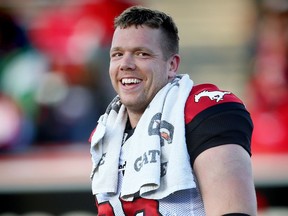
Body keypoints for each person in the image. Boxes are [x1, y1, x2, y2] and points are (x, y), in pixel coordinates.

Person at [89, 6, 257, 216]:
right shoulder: (107, 131)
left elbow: (234, 213)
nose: (125, 64)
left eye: (142, 53)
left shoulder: (204, 111)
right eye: (117, 54)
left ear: (171, 65)